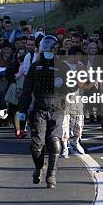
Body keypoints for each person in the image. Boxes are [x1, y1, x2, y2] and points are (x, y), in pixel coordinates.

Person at [18, 35, 71, 189]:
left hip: (58, 108)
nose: (47, 50)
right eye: (45, 46)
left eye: (50, 47)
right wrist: (22, 110)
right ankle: (39, 166)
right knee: (36, 144)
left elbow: (73, 86)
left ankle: (51, 174)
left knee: (55, 143)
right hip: (39, 108)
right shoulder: (35, 67)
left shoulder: (63, 66)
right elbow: (26, 91)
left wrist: (64, 85)